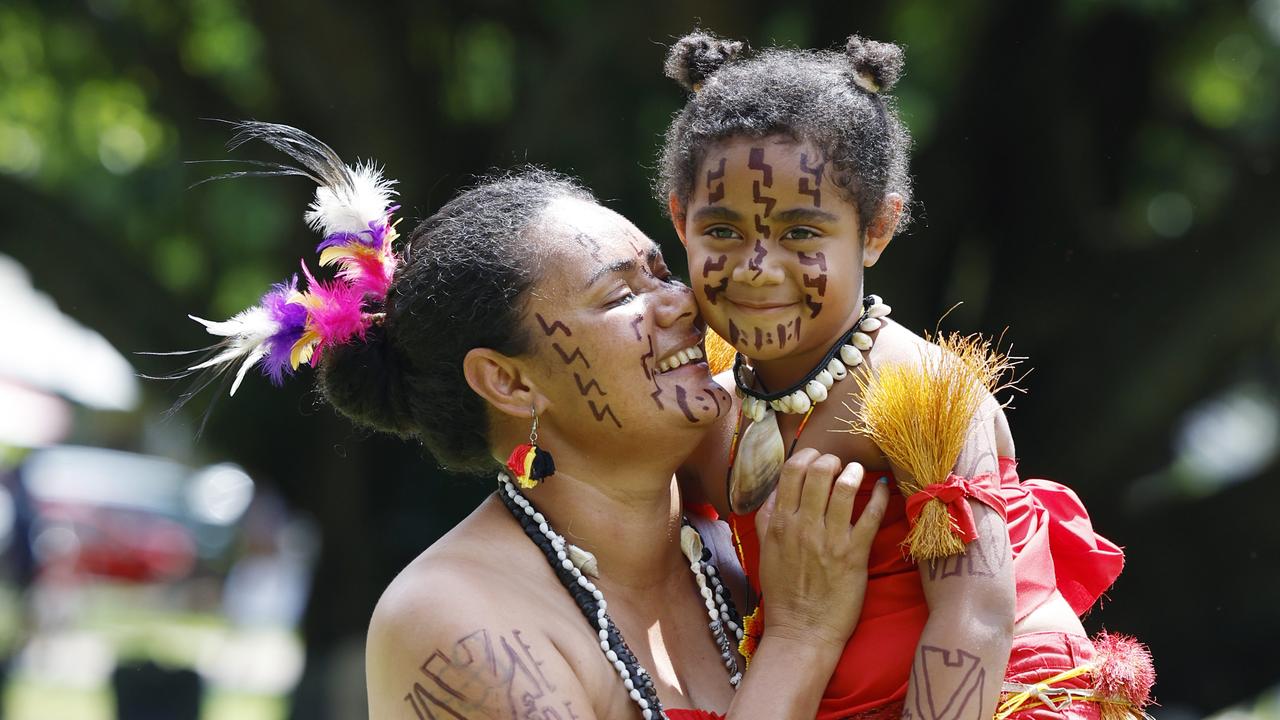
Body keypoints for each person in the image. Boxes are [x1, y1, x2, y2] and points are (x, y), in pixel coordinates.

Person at [171, 123, 892, 719]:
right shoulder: (450, 620)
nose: (681, 304)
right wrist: (800, 637)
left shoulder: (750, 515)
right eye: (620, 297)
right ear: (509, 381)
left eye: (662, 273)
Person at [658, 31, 1154, 720]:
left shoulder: (919, 392)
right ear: (680, 221)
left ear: (876, 229)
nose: (756, 267)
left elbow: (975, 616)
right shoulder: (705, 391)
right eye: (723, 233)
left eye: (802, 234)